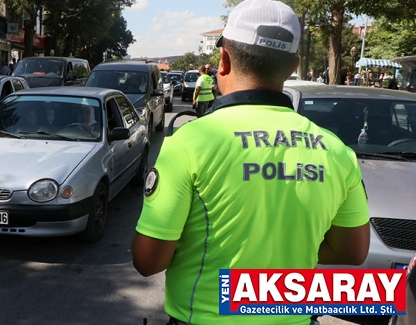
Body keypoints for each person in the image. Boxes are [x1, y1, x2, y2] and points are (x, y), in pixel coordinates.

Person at [131, 1, 370, 325]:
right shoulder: (336, 151)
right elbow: (354, 251)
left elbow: (147, 261)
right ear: (293, 65)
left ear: (224, 60)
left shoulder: (189, 143)